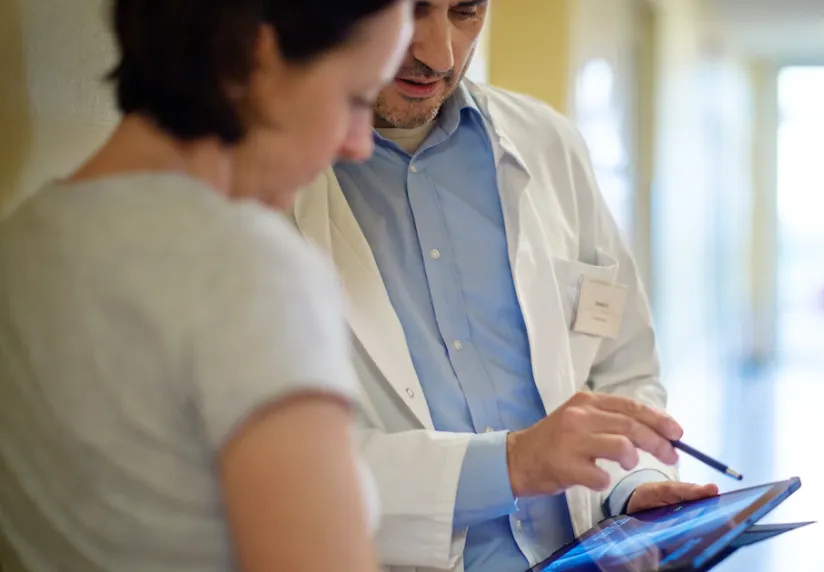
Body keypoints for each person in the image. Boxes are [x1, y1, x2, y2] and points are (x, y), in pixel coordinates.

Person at [289, 1, 718, 570]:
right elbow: (283, 463)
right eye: (412, 10)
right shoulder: (270, 179)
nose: (438, 53)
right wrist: (511, 464)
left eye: (466, 11)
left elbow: (620, 367)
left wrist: (633, 485)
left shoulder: (548, 143)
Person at [0, 1, 411, 571]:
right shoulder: (251, 268)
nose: (358, 144)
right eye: (357, 99)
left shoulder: (18, 244)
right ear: (256, 60)